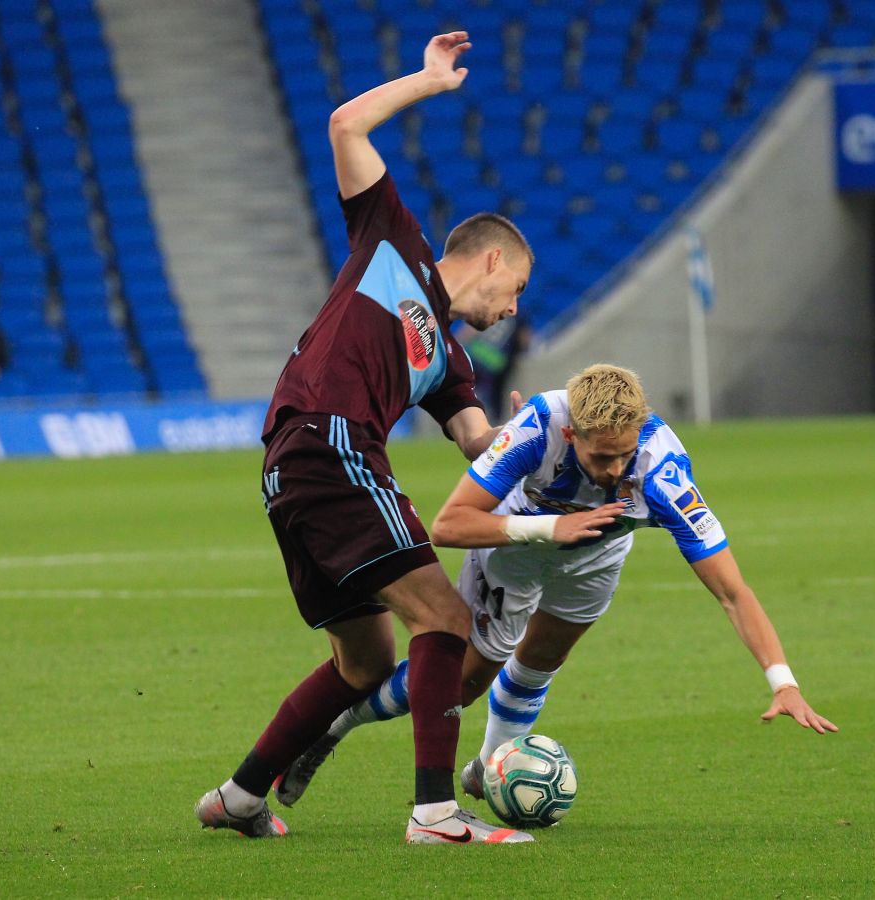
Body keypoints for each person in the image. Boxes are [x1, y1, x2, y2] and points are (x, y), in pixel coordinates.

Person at [195, 31, 538, 845]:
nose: (514, 310)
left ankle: (239, 798)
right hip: (328, 444)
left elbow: (475, 440)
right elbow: (347, 126)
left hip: (301, 465)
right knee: (445, 622)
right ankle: (434, 815)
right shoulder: (397, 245)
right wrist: (425, 80)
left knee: (363, 664)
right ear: (490, 261)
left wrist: (530, 436)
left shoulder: (449, 358)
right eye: (515, 290)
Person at [272, 364, 836, 810]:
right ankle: (335, 727)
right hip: (517, 548)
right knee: (463, 684)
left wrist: (782, 681)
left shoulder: (665, 475)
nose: (615, 470)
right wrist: (550, 527)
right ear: (573, 432)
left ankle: (488, 771)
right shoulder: (538, 427)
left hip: (597, 559)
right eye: (600, 455)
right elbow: (448, 525)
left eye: (624, 454)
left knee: (541, 660)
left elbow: (732, 591)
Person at [456, 313, 533, 420]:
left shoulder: (494, 306)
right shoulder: (519, 316)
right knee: (494, 398)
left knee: (467, 390)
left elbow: (470, 330)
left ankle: (465, 418)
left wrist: (458, 341)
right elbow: (524, 341)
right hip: (497, 361)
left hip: (477, 353)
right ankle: (492, 423)